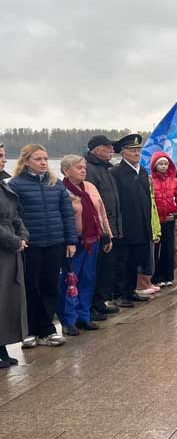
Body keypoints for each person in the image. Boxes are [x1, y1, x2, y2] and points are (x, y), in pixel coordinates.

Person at [9, 144, 76, 347]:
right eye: (38, 159)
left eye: (45, 159)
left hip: (55, 242)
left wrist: (71, 240)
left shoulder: (55, 184)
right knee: (31, 287)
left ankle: (46, 329)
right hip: (31, 244)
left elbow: (67, 213)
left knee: (50, 285)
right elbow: (13, 216)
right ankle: (30, 330)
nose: (43, 162)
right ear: (26, 160)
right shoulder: (16, 184)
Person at [57, 154, 112, 335]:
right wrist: (68, 241)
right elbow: (62, 219)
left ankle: (84, 315)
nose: (83, 171)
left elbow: (100, 212)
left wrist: (106, 235)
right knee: (70, 280)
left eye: (84, 168)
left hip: (93, 239)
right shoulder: (60, 190)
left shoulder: (89, 187)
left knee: (88, 277)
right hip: (74, 242)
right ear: (66, 171)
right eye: (79, 168)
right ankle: (68, 319)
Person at [110, 134, 155, 308]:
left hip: (142, 224)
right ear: (123, 153)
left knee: (136, 260)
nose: (136, 153)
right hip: (126, 225)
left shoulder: (142, 171)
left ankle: (131, 291)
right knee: (123, 261)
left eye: (138, 150)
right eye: (132, 150)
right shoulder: (116, 173)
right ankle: (120, 294)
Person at [84, 136, 122, 320]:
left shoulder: (106, 169)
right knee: (94, 269)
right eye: (107, 147)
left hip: (110, 225)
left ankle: (100, 302)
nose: (111, 150)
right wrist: (103, 231)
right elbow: (92, 203)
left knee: (106, 268)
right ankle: (90, 306)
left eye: (112, 147)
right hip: (97, 229)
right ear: (95, 149)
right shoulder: (89, 170)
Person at [0, 177, 28, 367]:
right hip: (4, 245)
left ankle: (2, 346)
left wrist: (23, 235)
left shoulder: (3, 183)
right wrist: (14, 241)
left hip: (9, 247)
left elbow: (16, 216)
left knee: (6, 299)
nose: (2, 159)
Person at [150, 152, 177, 287]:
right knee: (155, 250)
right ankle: (156, 277)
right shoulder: (151, 181)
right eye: (161, 164)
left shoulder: (174, 181)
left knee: (168, 249)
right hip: (156, 221)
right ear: (155, 165)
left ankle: (168, 275)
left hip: (169, 219)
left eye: (165, 164)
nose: (163, 166)